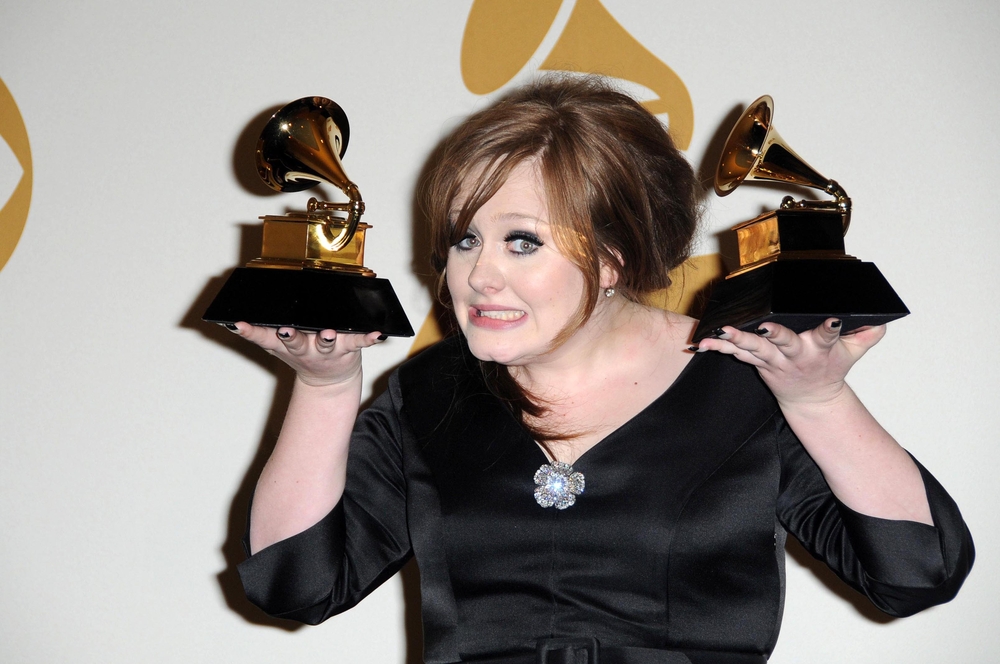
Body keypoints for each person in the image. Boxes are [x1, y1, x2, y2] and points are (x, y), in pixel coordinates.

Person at [229, 76, 973, 663]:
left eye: (522, 243)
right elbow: (296, 585)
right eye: (464, 240)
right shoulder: (430, 393)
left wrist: (819, 401)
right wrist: (325, 388)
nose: (477, 276)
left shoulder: (740, 376)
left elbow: (916, 574)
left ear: (613, 259)